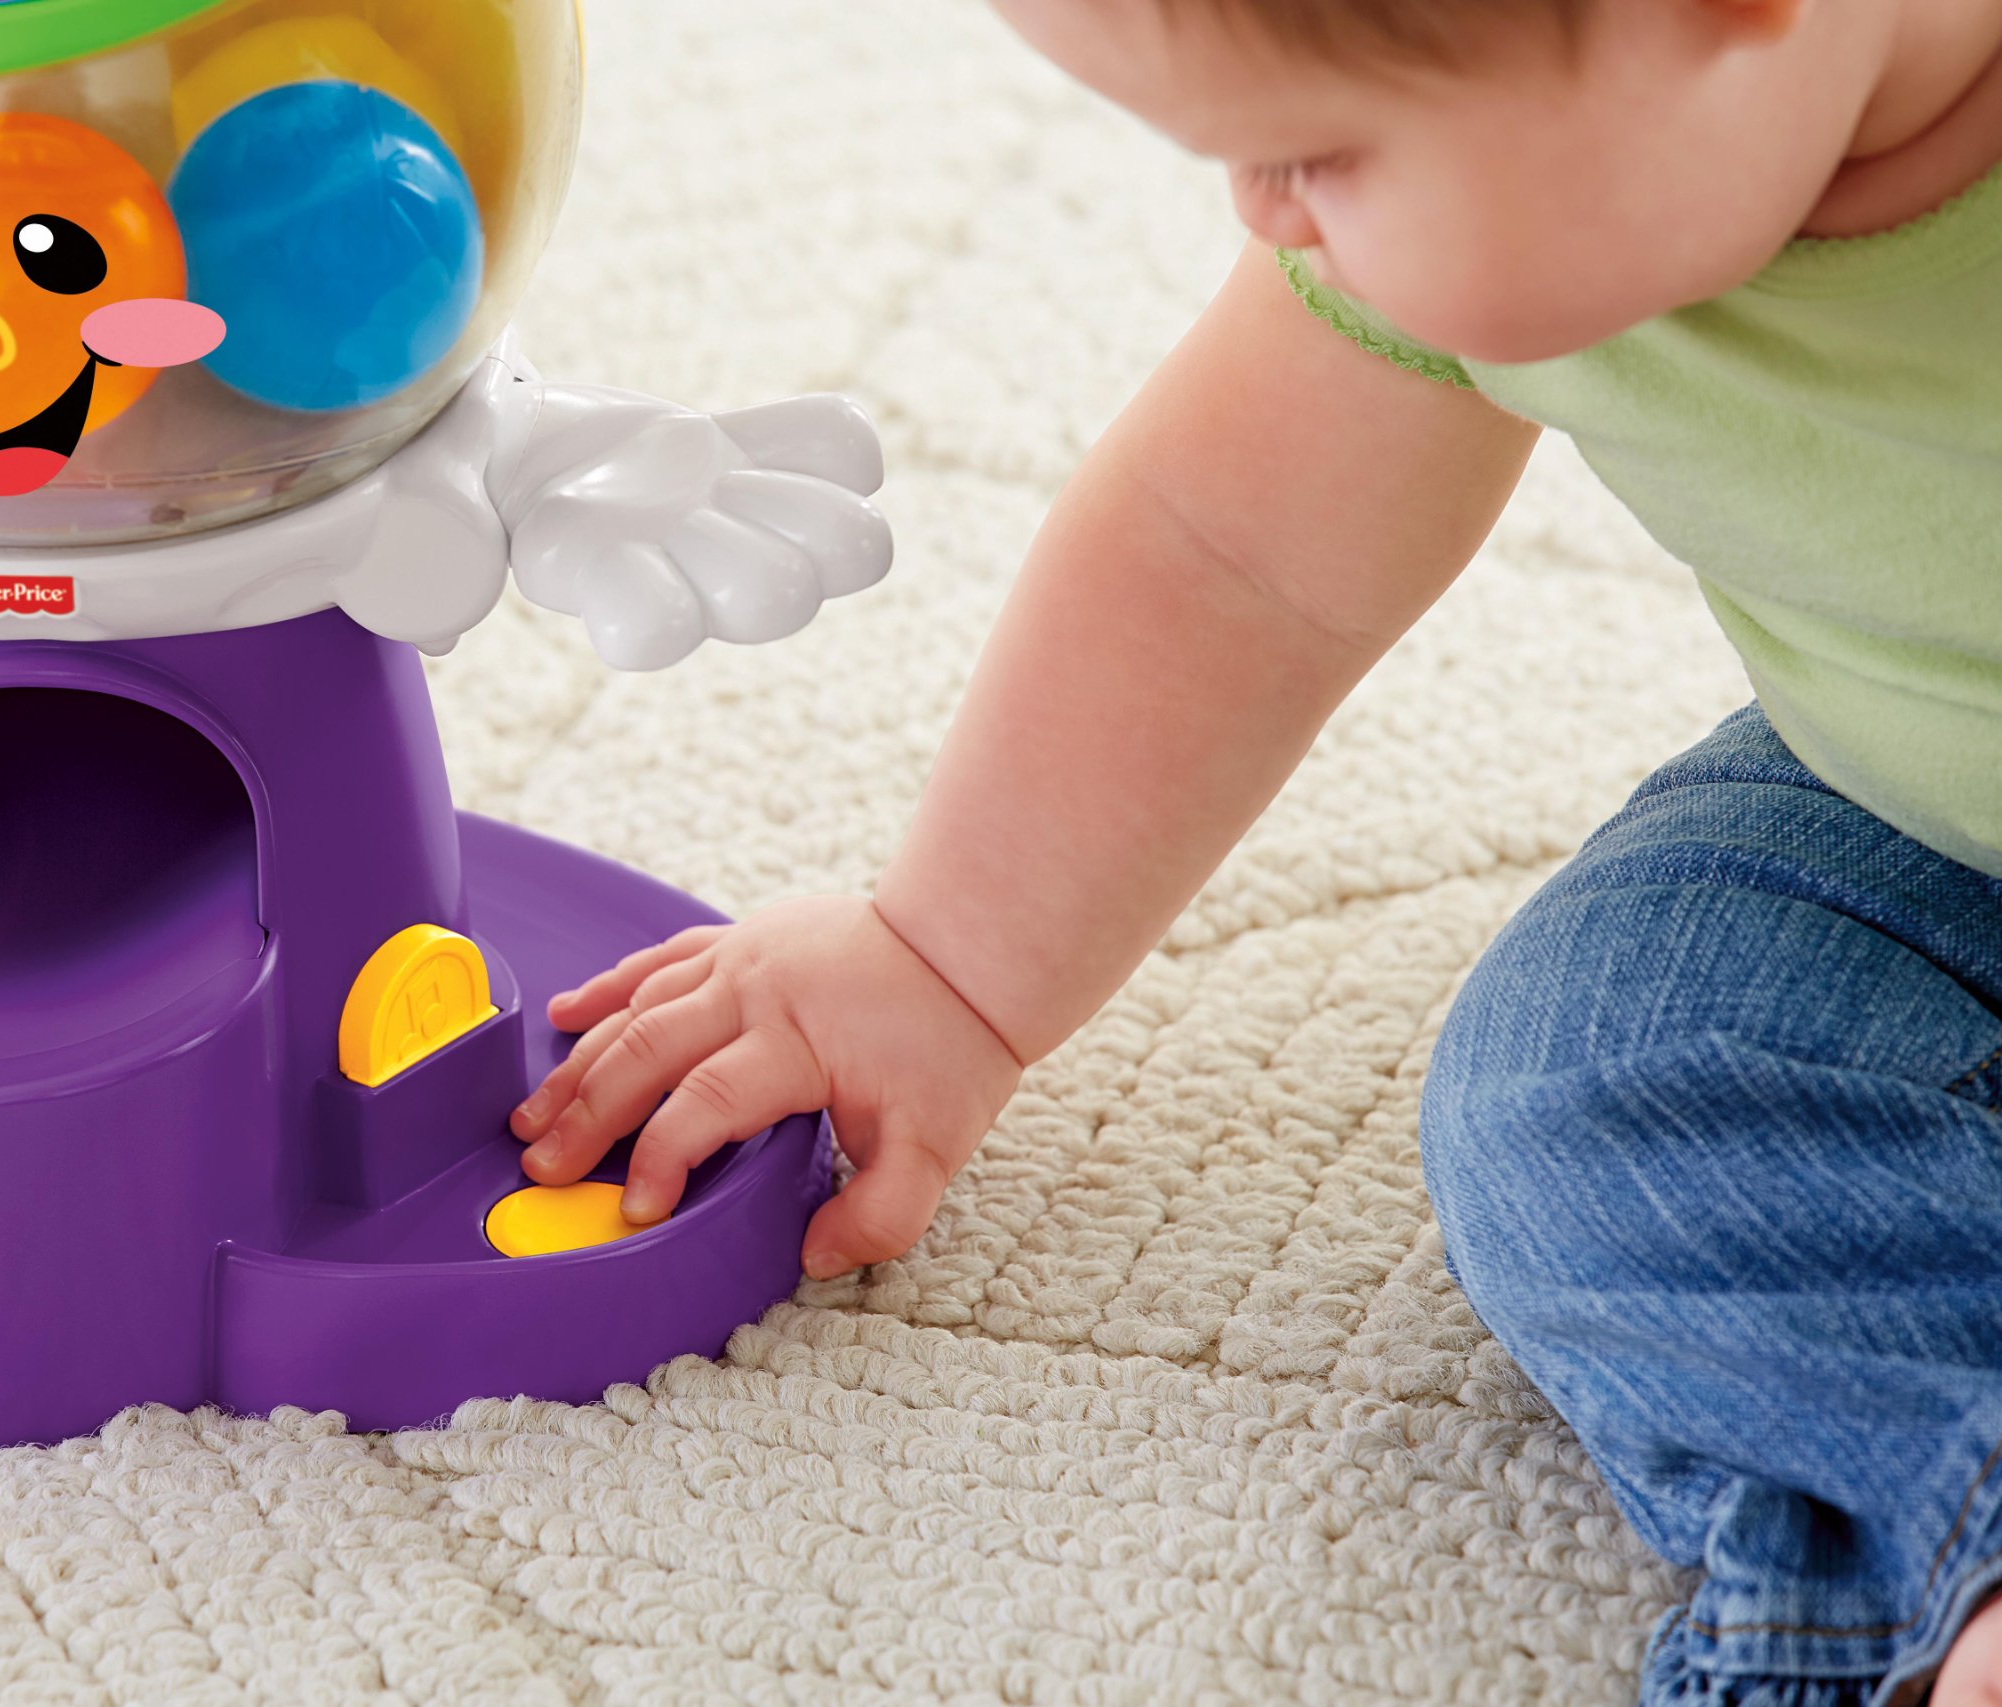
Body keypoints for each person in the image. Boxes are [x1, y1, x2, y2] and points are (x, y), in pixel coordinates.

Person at [511, 0, 2002, 1698]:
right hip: (1905, 801)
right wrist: (942, 962)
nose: (1263, 212)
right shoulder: (1560, 169)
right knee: (1585, 1085)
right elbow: (1231, 558)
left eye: (1314, 154)